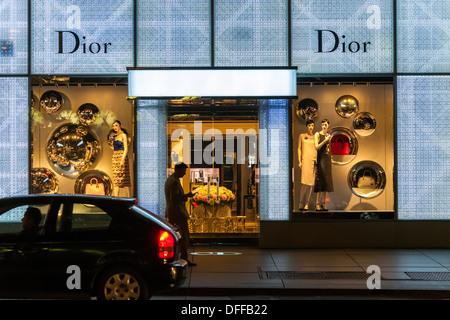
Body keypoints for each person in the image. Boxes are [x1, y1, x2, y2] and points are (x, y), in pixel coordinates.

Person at [164, 162, 196, 266]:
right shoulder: (174, 182)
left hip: (172, 212)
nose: (185, 173)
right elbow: (174, 198)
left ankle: (179, 258)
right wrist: (187, 195)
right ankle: (183, 259)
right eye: (184, 171)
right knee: (184, 237)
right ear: (178, 170)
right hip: (177, 213)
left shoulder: (171, 179)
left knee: (177, 236)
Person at [314, 119, 334, 211]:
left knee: (326, 181)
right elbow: (316, 147)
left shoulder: (328, 135)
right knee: (320, 181)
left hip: (327, 159)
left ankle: (323, 203)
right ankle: (317, 203)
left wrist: (328, 140)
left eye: (325, 124)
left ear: (328, 125)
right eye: (322, 125)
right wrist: (325, 141)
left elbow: (328, 148)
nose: (324, 126)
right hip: (321, 159)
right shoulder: (318, 134)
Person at [298, 119, 317, 211]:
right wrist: (300, 161)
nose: (311, 127)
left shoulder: (315, 137)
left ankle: (306, 203)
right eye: (309, 125)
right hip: (305, 160)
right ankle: (301, 202)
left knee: (310, 184)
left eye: (312, 125)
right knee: (305, 183)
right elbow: (299, 148)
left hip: (313, 161)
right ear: (307, 126)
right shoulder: (302, 136)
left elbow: (316, 149)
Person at [112, 120, 131, 197]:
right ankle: (116, 198)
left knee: (125, 177)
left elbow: (126, 148)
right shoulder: (116, 136)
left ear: (119, 125)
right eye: (113, 126)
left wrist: (122, 159)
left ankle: (130, 197)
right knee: (116, 178)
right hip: (115, 158)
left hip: (121, 156)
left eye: (116, 125)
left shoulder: (123, 135)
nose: (115, 127)